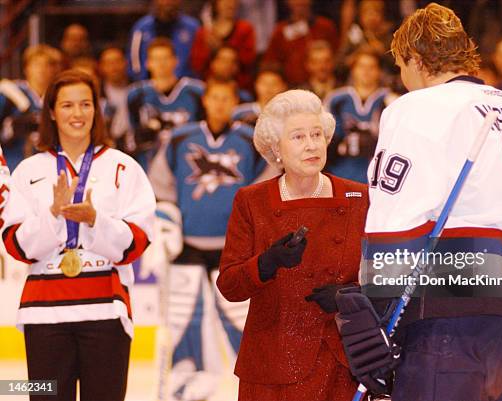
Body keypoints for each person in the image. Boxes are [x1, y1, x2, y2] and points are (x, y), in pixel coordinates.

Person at [335, 4, 502, 401]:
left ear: (415, 59)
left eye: (400, 66)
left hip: (455, 324)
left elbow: (395, 217)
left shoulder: (415, 108)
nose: (402, 78)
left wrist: (377, 313)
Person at [0, 69, 156, 400]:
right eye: (67, 105)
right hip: (43, 315)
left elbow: (137, 242)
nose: (77, 113)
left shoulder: (124, 167)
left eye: (86, 104)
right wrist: (53, 215)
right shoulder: (28, 171)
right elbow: (15, 244)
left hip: (106, 312)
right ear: (52, 113)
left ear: (96, 111)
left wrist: (95, 220)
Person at [216, 89, 367, 401]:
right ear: (276, 148)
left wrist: (352, 296)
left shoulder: (360, 198)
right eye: (298, 137)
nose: (312, 144)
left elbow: (389, 275)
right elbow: (229, 286)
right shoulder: (251, 201)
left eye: (317, 134)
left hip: (341, 362)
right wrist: (266, 262)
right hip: (272, 364)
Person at [148, 79, 265, 400]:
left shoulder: (248, 140)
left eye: (226, 97)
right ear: (206, 101)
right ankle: (188, 380)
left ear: (233, 102)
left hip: (233, 247)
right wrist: (166, 221)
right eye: (214, 97)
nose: (219, 103)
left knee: (241, 318)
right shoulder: (181, 137)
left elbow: (265, 184)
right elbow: (160, 183)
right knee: (183, 315)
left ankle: (254, 380)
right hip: (187, 246)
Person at [127, 37, 205, 169]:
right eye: (156, 59)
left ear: (175, 61)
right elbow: (129, 137)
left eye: (165, 58)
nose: (161, 63)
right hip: (149, 166)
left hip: (186, 165)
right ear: (147, 63)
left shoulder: (196, 92)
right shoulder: (136, 94)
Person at [324, 46, 393, 183]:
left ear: (379, 71)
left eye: (371, 67)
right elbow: (325, 140)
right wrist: (340, 146)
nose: (366, 72)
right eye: (361, 66)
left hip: (376, 178)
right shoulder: (335, 99)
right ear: (353, 69)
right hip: (340, 175)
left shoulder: (391, 100)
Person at [0, 44, 62, 170]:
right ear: (26, 68)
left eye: (47, 65)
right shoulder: (8, 93)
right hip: (13, 165)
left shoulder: (59, 98)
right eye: (36, 64)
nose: (42, 70)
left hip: (49, 168)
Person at [263, 0, 338, 86]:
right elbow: (270, 65)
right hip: (291, 89)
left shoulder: (326, 26)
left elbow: (336, 56)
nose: (300, 2)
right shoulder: (280, 32)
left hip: (325, 86)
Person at [190, 0, 256, 90]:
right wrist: (208, 49)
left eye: (233, 2)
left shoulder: (245, 29)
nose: (230, 4)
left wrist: (221, 47)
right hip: (209, 86)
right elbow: (197, 65)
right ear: (215, 4)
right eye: (225, 1)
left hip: (239, 86)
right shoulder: (204, 33)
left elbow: (248, 61)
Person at [127, 0, 200, 80]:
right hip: (147, 83)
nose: (167, 2)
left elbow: (199, 61)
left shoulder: (193, 27)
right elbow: (134, 58)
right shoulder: (141, 27)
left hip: (185, 83)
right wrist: (140, 79)